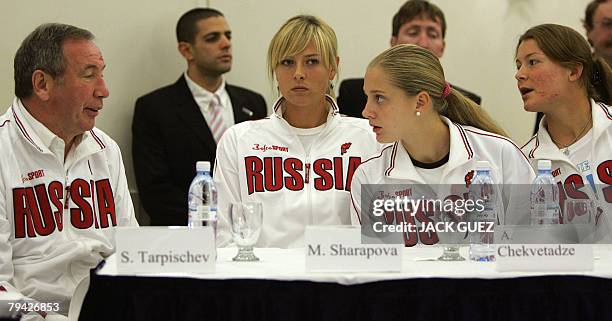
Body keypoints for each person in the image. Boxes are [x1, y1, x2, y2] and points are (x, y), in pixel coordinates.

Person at [0, 23, 138, 319]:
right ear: (42, 84)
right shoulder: (3, 152)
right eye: (89, 75)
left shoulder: (105, 150)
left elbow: (130, 251)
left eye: (102, 74)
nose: (104, 90)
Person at [214, 15, 380, 248]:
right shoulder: (239, 141)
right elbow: (223, 235)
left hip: (345, 277)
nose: (299, 73)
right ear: (275, 68)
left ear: (332, 67)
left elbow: (384, 234)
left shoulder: (370, 139)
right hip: (266, 281)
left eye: (312, 61)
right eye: (287, 62)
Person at [350, 44, 535, 246]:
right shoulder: (369, 176)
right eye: (368, 97)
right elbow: (373, 267)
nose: (366, 111)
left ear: (420, 102)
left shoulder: (500, 154)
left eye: (379, 98)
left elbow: (533, 245)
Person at [132, 8, 267, 226]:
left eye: (228, 36)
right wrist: (214, 221)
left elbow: (261, 178)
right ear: (186, 50)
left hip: (247, 234)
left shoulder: (252, 103)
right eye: (213, 38)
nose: (226, 44)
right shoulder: (154, 108)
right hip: (184, 237)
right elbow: (156, 192)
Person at [517, 24, 612, 237]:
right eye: (518, 66)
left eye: (532, 62)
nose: (520, 74)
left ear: (574, 71)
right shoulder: (524, 162)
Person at [337, 0, 481, 119]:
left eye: (432, 35)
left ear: (442, 47)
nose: (423, 43)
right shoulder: (354, 95)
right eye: (413, 32)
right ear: (393, 43)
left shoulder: (468, 103)